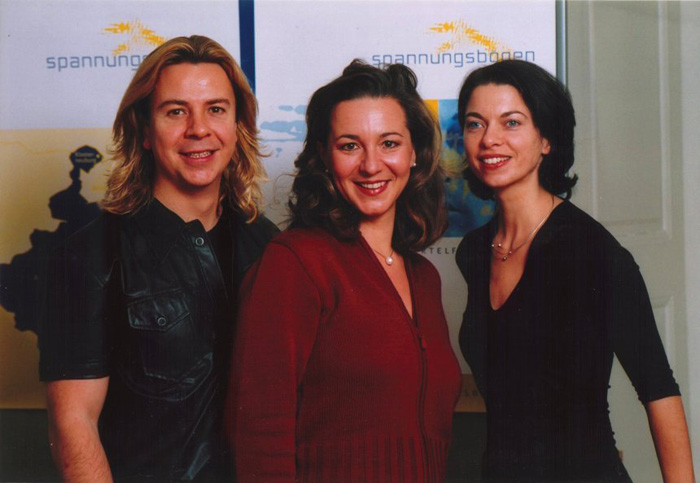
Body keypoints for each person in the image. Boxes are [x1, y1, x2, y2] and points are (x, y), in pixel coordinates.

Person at [39, 35, 278, 481]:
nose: (199, 129)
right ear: (145, 131)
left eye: (216, 109)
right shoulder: (89, 254)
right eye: (175, 111)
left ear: (238, 125)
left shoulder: (269, 246)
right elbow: (73, 423)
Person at [456, 59, 694, 482]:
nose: (490, 139)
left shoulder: (593, 252)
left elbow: (659, 389)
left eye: (511, 123)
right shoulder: (474, 252)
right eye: (476, 124)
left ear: (547, 139)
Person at [228, 60, 462, 482]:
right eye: (350, 146)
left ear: (414, 153)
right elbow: (259, 429)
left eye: (389, 143)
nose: (371, 165)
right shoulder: (294, 262)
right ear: (323, 155)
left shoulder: (424, 277)